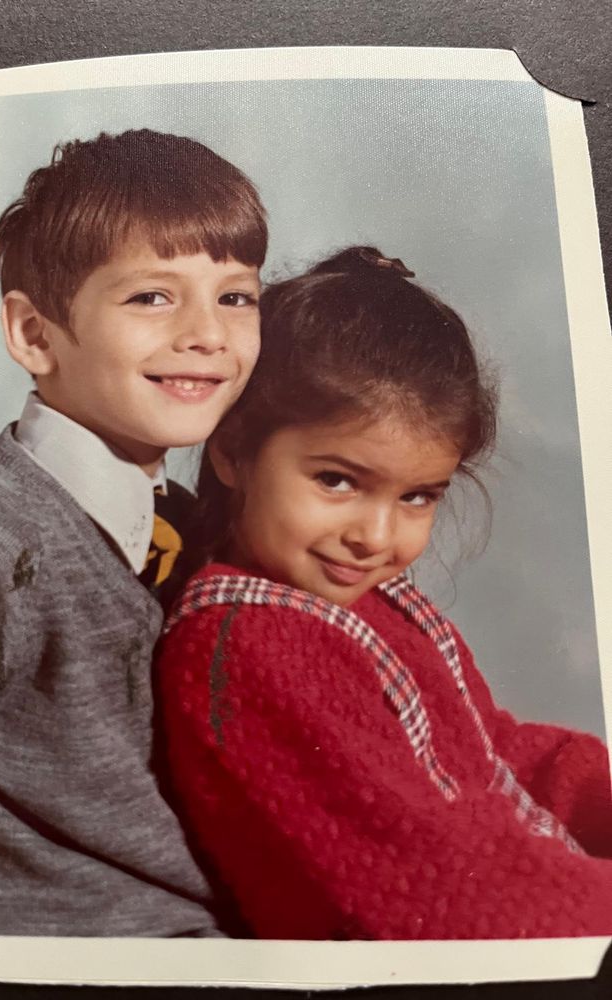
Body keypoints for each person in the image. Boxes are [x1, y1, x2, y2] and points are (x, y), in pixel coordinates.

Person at [155, 246, 612, 940]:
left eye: (418, 496)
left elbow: (489, 750)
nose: (375, 536)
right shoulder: (245, 649)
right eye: (337, 480)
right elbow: (442, 884)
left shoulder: (358, 602)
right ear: (233, 450)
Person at [0, 128, 267, 936]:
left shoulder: (196, 528)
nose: (207, 332)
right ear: (33, 335)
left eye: (235, 296)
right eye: (151, 297)